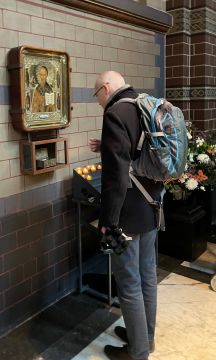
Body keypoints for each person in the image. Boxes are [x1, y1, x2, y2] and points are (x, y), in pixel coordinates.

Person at [89, 71, 163, 360]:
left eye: (97, 96)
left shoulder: (115, 112)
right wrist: (103, 147)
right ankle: (146, 338)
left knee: (129, 283)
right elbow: (135, 153)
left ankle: (137, 351)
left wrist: (108, 222)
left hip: (128, 215)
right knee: (147, 277)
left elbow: (116, 179)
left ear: (106, 88)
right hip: (151, 206)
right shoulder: (143, 104)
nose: (99, 102)